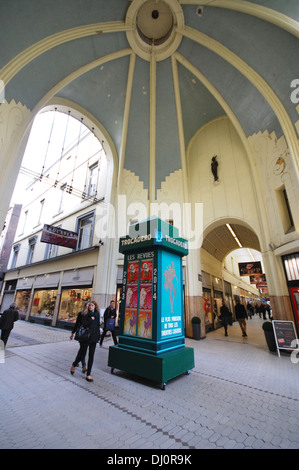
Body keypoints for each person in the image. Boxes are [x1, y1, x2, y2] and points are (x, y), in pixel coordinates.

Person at [70, 301, 100, 382]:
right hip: (86, 337)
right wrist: (90, 319)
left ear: (95, 306)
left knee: (91, 356)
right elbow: (84, 324)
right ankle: (74, 363)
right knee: (82, 354)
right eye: (89, 305)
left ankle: (88, 374)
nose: (90, 306)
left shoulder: (97, 315)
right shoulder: (85, 314)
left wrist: (98, 337)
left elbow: (97, 326)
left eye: (92, 305)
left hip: (93, 338)